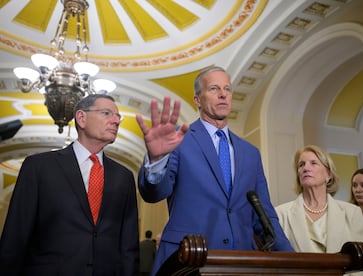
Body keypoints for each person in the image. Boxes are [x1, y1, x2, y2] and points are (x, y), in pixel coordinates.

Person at [136, 66, 294, 275]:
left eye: (227, 89)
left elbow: (264, 215)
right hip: (187, 260)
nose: (223, 94)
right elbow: (154, 193)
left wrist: (291, 258)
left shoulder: (250, 153)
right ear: (197, 100)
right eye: (214, 89)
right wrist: (157, 159)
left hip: (242, 263)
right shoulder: (178, 140)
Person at [0, 94, 139, 275]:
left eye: (117, 116)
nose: (116, 121)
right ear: (81, 118)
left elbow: (128, 246)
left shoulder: (124, 176)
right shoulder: (38, 167)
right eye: (107, 113)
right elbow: (16, 237)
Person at [275, 145, 363, 275]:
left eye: (314, 163)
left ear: (329, 175)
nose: (306, 168)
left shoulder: (352, 212)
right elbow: (278, 264)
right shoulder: (281, 214)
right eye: (301, 165)